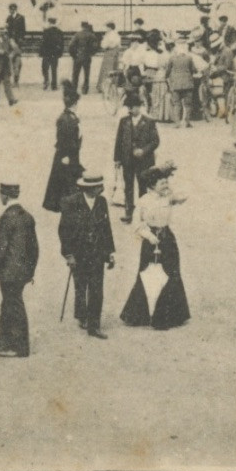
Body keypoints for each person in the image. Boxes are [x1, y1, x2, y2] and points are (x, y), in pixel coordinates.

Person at [118, 164, 191, 330]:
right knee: (147, 274)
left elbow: (184, 196)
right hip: (151, 241)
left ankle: (169, 316)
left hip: (167, 238)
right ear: (151, 185)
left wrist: (169, 189)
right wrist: (149, 237)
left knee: (172, 272)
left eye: (166, 182)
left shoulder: (168, 198)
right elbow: (136, 224)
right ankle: (138, 314)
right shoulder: (144, 201)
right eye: (161, 183)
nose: (165, 185)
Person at [0, 181, 39, 358]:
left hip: (9, 272)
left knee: (13, 305)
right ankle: (3, 342)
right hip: (22, 272)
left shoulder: (7, 218)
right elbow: (34, 248)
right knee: (8, 303)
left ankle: (20, 348)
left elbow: (0, 247)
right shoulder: (27, 216)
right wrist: (31, 271)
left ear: (4, 196)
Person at [58, 173, 116, 339]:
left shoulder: (101, 202)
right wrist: (68, 255)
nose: (101, 188)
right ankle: (82, 315)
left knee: (97, 289)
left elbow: (106, 228)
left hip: (97, 253)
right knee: (81, 286)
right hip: (79, 253)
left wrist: (110, 253)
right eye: (98, 186)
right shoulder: (70, 202)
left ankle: (94, 325)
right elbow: (64, 230)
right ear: (88, 188)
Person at [112, 92, 159, 224]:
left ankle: (143, 214)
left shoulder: (149, 122)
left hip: (144, 162)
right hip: (127, 160)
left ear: (139, 107)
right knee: (128, 187)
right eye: (130, 107)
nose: (132, 110)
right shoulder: (124, 122)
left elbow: (155, 141)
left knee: (143, 187)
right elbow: (119, 141)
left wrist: (143, 151)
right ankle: (129, 212)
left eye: (134, 107)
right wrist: (117, 159)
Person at [42, 83, 84, 212]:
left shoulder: (69, 117)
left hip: (69, 154)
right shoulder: (67, 119)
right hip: (67, 154)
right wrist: (67, 155)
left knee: (66, 180)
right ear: (74, 104)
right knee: (67, 181)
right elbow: (64, 140)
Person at [164, 37, 198, 128]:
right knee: (188, 104)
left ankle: (177, 122)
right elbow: (194, 70)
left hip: (175, 84)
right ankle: (187, 122)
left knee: (176, 104)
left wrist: (167, 77)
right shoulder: (189, 58)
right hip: (188, 83)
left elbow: (167, 71)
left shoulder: (172, 58)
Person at [68, 21, 99, 95]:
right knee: (86, 73)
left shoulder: (77, 34)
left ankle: (74, 89)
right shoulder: (92, 35)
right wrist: (91, 54)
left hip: (77, 56)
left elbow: (71, 45)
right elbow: (95, 47)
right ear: (88, 26)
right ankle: (85, 89)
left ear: (81, 26)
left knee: (75, 74)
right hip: (87, 57)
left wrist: (73, 55)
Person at [39, 17, 65, 91]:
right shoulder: (59, 32)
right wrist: (60, 53)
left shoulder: (46, 31)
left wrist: (41, 53)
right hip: (55, 54)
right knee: (54, 69)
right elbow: (62, 44)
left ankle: (46, 81)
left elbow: (43, 43)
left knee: (45, 69)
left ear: (49, 23)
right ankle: (54, 85)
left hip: (46, 54)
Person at [98, 21, 123, 95]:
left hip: (109, 52)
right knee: (114, 68)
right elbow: (119, 45)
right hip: (115, 53)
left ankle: (104, 87)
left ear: (109, 27)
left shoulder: (109, 35)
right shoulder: (117, 34)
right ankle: (112, 86)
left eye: (106, 27)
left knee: (107, 69)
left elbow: (104, 45)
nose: (106, 29)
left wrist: (104, 45)